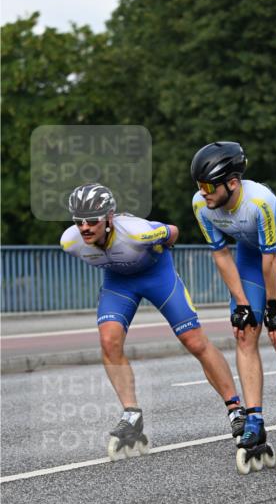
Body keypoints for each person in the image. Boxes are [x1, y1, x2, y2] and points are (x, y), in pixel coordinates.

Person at [61, 183, 243, 459]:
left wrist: (162, 245)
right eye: (79, 221)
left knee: (194, 341)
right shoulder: (70, 241)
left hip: (158, 276)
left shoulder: (137, 231)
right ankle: (131, 414)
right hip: (118, 284)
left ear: (109, 218)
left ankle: (235, 409)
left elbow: (173, 231)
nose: (84, 227)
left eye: (92, 221)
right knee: (109, 341)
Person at [191, 141, 276, 472]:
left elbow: (270, 259)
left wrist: (272, 306)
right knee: (245, 330)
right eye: (199, 185)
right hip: (249, 254)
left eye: (208, 186)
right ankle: (254, 420)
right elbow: (221, 255)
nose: (202, 193)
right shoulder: (201, 206)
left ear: (232, 182)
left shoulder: (260, 201)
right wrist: (242, 304)